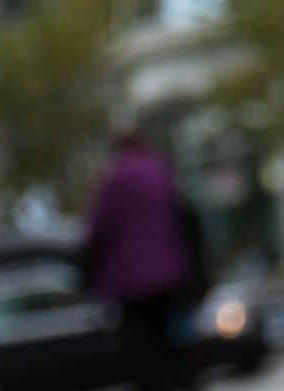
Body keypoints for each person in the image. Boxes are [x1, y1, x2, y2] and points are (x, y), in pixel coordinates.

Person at [78, 123, 208, 391]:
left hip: (133, 283)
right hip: (172, 274)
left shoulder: (114, 179)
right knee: (173, 344)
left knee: (144, 353)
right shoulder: (162, 170)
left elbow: (98, 229)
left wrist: (88, 270)